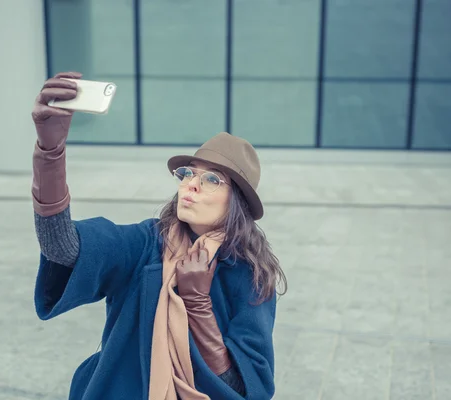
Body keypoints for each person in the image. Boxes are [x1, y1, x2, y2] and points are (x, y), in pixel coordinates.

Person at [31, 71, 288, 400]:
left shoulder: (250, 276)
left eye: (212, 179)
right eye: (188, 173)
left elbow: (244, 387)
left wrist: (198, 306)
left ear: (236, 200)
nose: (190, 184)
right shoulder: (146, 242)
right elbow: (62, 247)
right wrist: (49, 152)